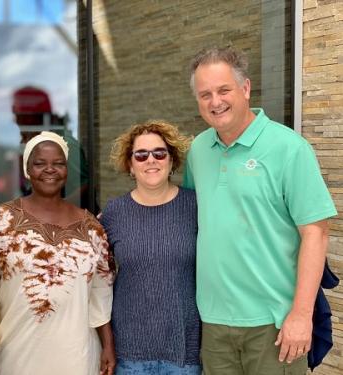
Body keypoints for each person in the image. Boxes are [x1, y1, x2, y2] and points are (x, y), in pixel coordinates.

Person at [183, 46, 337, 374]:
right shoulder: (198, 150)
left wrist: (301, 314)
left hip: (274, 323)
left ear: (246, 88)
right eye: (205, 94)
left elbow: (316, 232)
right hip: (213, 322)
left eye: (224, 90)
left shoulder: (289, 148)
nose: (215, 102)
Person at [0, 131, 115, 375]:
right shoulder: (1, 220)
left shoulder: (91, 226)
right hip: (16, 351)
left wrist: (108, 346)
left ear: (67, 170)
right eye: (40, 163)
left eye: (58, 164)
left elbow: (101, 293)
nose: (50, 170)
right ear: (27, 170)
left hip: (76, 354)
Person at [100, 120, 201, 374]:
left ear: (171, 161)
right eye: (141, 155)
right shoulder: (114, 212)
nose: (151, 160)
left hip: (184, 349)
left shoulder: (195, 206)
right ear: (131, 165)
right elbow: (97, 276)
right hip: (129, 352)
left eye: (159, 153)